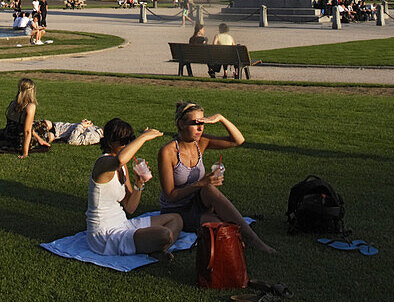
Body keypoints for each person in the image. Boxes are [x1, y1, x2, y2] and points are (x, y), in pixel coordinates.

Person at [157, 102, 275, 253]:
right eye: (195, 123)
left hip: (198, 200)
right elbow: (170, 196)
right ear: (180, 124)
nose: (200, 128)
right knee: (220, 227)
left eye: (202, 123)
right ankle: (241, 238)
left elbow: (238, 140)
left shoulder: (201, 142)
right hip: (178, 210)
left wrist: (221, 118)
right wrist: (201, 183)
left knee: (209, 189)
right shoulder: (167, 152)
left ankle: (254, 241)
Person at [86, 119, 182, 258]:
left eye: (130, 139)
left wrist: (139, 184)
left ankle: (156, 247)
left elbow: (130, 207)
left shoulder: (123, 168)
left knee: (176, 219)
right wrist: (143, 137)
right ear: (110, 142)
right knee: (165, 234)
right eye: (123, 140)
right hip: (104, 234)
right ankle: (156, 246)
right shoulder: (103, 164)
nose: (127, 143)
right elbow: (120, 159)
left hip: (122, 224)